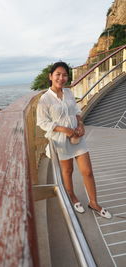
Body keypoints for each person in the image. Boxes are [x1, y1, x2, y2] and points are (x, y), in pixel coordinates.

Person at [36, 61, 112, 219]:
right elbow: (42, 123)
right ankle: (73, 197)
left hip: (77, 137)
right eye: (58, 74)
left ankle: (94, 203)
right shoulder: (44, 99)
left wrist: (81, 124)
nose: (61, 78)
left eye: (64, 75)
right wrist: (64, 130)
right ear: (50, 76)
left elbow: (76, 111)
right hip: (60, 140)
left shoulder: (68, 93)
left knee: (88, 171)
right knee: (68, 171)